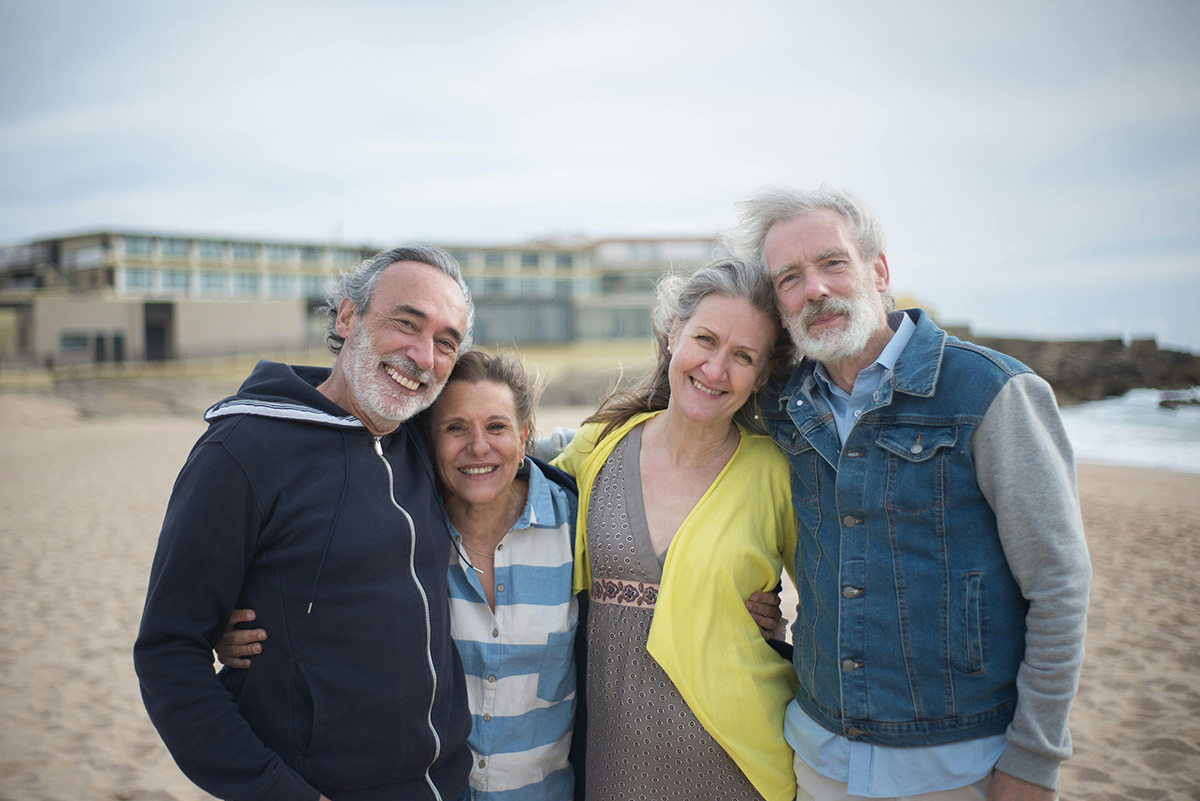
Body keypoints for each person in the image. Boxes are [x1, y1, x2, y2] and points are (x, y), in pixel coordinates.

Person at [216, 349, 786, 800]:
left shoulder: (576, 514)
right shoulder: (402, 536)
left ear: (525, 435)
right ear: (428, 439)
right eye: (455, 429)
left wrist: (737, 600)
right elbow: (323, 587)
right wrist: (248, 621)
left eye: (497, 426)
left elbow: (655, 546)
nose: (478, 447)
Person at [732, 186, 1092, 801]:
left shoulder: (992, 392)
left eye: (832, 262)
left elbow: (1059, 584)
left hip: (958, 768)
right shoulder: (778, 406)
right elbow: (686, 435)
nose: (814, 288)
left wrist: (1034, 761)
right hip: (816, 758)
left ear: (878, 271)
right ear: (781, 306)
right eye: (790, 277)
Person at [133, 246, 476, 801]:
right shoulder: (242, 451)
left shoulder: (424, 441)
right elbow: (167, 652)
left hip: (444, 787)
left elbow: (510, 457)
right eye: (405, 323)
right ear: (347, 317)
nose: (422, 355)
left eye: (445, 341)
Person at [551, 257, 800, 801]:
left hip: (741, 771)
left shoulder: (776, 471)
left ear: (762, 375)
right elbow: (514, 518)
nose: (715, 369)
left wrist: (780, 638)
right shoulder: (600, 447)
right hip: (611, 770)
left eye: (742, 356)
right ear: (672, 334)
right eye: (705, 340)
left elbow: (841, 604)